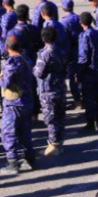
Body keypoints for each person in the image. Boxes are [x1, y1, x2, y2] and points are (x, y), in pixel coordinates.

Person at [0, 35, 37, 175]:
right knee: (25, 131)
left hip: (14, 102)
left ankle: (12, 162)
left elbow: (5, 82)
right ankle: (29, 158)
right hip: (27, 100)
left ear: (7, 47)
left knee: (9, 132)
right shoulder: (26, 59)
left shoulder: (12, 63)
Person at [34, 25, 67, 156]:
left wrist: (32, 68)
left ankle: (53, 145)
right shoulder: (61, 51)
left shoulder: (44, 54)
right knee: (60, 116)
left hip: (48, 90)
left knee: (51, 119)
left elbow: (39, 73)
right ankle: (60, 143)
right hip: (60, 87)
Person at [76, 12, 98, 131]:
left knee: (88, 98)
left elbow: (83, 57)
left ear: (81, 23)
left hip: (89, 71)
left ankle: (90, 123)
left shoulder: (84, 36)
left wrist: (79, 73)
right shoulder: (97, 33)